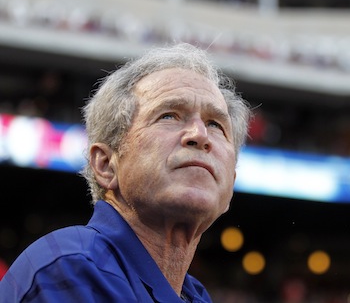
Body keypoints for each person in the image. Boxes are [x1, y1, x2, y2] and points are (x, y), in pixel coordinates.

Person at [0, 42, 252, 302]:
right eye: (169, 116)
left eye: (215, 124)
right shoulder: (74, 266)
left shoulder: (196, 296)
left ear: (230, 183)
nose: (199, 135)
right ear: (106, 164)